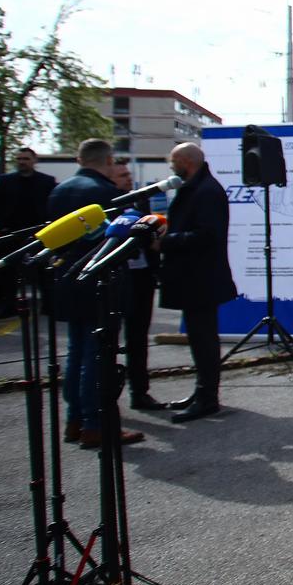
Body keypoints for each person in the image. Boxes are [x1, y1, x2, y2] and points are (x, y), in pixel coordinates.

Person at [47, 139, 144, 449]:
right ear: (109, 160)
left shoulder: (60, 190)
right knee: (97, 354)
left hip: (67, 278)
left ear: (79, 159)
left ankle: (74, 420)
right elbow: (117, 243)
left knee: (76, 351)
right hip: (100, 281)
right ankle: (96, 423)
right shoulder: (105, 194)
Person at [147, 142, 237, 424]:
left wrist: (165, 242)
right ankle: (202, 392)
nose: (171, 167)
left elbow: (208, 235)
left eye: (173, 162)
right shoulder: (197, 187)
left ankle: (207, 398)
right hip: (194, 278)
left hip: (202, 279)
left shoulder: (206, 191)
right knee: (199, 339)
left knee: (204, 339)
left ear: (186, 161)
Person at [112, 158, 164, 410]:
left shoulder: (139, 202)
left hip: (142, 277)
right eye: (122, 175)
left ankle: (139, 392)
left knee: (138, 338)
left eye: (128, 174)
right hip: (116, 278)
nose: (128, 179)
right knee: (109, 339)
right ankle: (107, 397)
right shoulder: (107, 205)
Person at [0, 147, 58, 319]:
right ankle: (8, 305)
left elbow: (52, 206)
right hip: (11, 232)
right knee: (8, 271)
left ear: (34, 161)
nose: (22, 162)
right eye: (19, 159)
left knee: (43, 269)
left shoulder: (47, 181)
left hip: (39, 232)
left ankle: (49, 305)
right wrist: (1, 228)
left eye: (26, 159)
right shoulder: (5, 181)